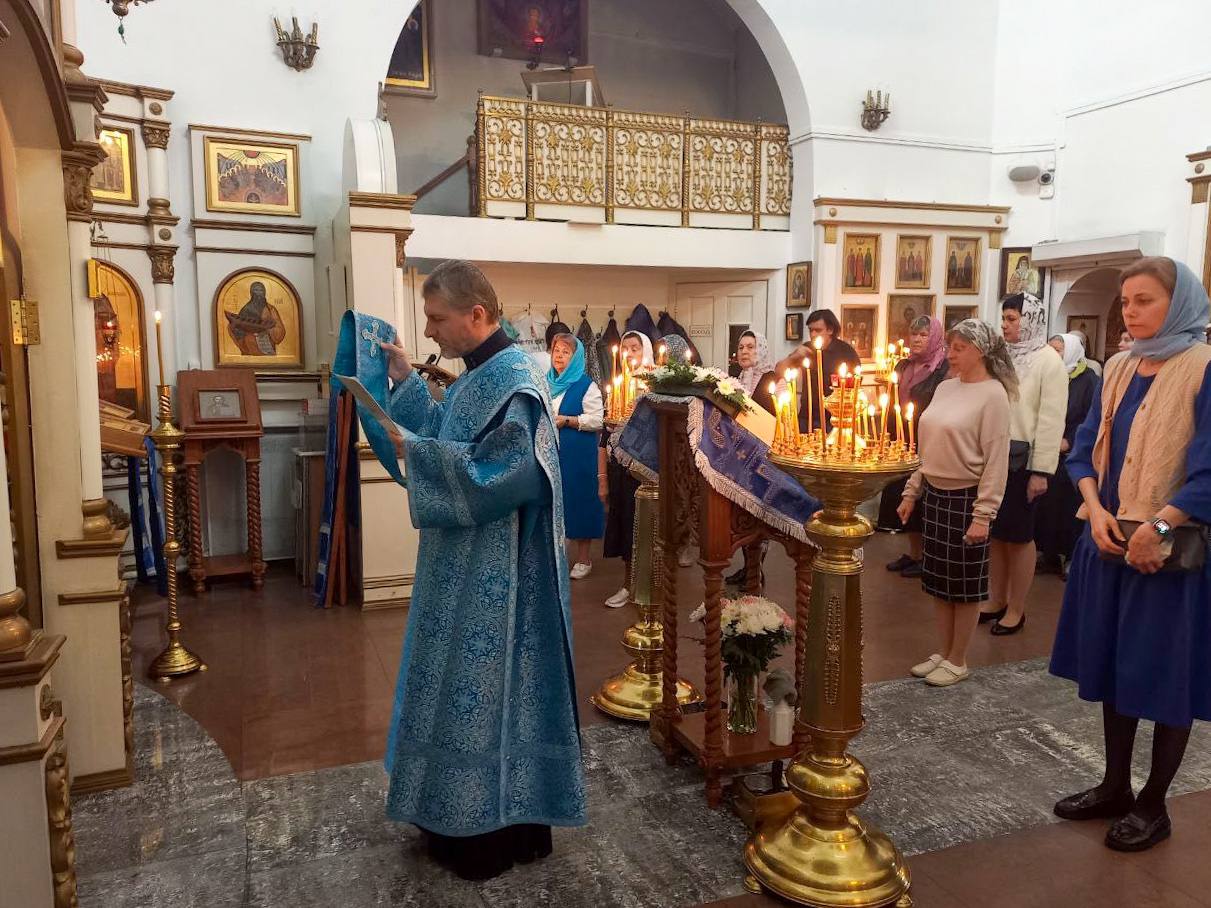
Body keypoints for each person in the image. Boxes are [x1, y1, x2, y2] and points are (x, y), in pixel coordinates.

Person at [378, 260, 585, 880]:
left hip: (501, 578)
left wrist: (420, 454)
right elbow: (448, 433)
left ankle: (487, 834)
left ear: (476, 314)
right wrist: (404, 383)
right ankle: (446, 813)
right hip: (459, 566)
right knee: (452, 688)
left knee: (489, 693)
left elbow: (511, 474)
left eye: (436, 319)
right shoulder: (477, 376)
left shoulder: (516, 382)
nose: (429, 331)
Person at [1050, 257, 1211, 852]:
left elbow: (1209, 471)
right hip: (1107, 538)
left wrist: (1160, 526)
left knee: (1165, 675)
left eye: (1145, 300)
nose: (1130, 312)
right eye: (1126, 301)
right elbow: (1083, 450)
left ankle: (1154, 804)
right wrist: (1094, 509)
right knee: (1115, 666)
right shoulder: (1118, 367)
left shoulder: (1204, 368)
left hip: (1169, 553)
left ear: (1180, 302)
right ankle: (1115, 784)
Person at [898, 319, 1013, 686]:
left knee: (963, 585)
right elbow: (927, 447)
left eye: (960, 348)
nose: (951, 354)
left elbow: (996, 460)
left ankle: (959, 657)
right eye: (950, 347)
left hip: (967, 499)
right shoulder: (946, 387)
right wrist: (912, 491)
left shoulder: (993, 395)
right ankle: (944, 650)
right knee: (938, 581)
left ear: (981, 351)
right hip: (935, 494)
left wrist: (984, 515)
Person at [983, 293, 1066, 635]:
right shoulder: (1002, 357)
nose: (1005, 325)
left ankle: (1016, 608)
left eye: (1012, 318)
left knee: (1018, 537)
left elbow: (1051, 419)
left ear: (1030, 319)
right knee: (996, 535)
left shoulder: (1048, 361)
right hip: (995, 457)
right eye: (1004, 318)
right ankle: (996, 598)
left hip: (1025, 462)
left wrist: (1041, 471)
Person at [880, 316, 951, 576]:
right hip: (902, 439)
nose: (917, 339)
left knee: (923, 498)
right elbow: (892, 400)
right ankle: (913, 553)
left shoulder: (942, 368)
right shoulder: (903, 365)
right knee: (904, 494)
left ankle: (927, 557)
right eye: (914, 334)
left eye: (923, 335)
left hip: (927, 438)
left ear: (934, 338)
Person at [1035, 334, 1100, 576]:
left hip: (1073, 454)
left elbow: (1091, 417)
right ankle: (1049, 554)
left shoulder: (1088, 380)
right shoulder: (1049, 375)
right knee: (1047, 507)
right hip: (1048, 451)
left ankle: (1072, 557)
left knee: (1069, 509)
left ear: (1071, 351)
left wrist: (1070, 440)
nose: (1053, 355)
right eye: (1050, 349)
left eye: (1058, 350)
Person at [600, 330, 654, 607]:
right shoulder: (618, 387)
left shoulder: (655, 388)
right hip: (620, 469)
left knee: (648, 529)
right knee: (625, 527)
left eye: (635, 347)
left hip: (648, 471)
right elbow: (605, 435)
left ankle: (650, 587)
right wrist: (602, 478)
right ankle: (628, 584)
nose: (630, 353)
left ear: (646, 351)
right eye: (626, 348)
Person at [547, 333, 604, 580]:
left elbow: (598, 420)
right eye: (556, 350)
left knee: (580, 501)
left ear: (576, 357)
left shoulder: (586, 386)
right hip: (550, 453)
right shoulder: (546, 383)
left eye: (565, 352)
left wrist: (568, 420)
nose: (559, 356)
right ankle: (557, 555)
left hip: (578, 454)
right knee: (554, 503)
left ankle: (583, 558)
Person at [776, 309, 861, 433]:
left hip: (835, 419)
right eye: (811, 330)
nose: (813, 334)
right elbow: (779, 371)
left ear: (830, 330)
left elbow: (856, 385)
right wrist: (794, 357)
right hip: (807, 416)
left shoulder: (846, 352)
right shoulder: (807, 349)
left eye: (818, 330)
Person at [226, 281, 286, 356]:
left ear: (264, 292)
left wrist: (268, 330)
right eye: (256, 290)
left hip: (267, 345)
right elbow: (238, 327)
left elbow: (279, 328)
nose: (258, 293)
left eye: (261, 290)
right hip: (249, 345)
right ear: (251, 292)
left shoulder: (271, 309)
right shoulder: (246, 309)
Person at [735, 330, 779, 415]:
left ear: (761, 351)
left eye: (750, 347)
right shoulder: (736, 378)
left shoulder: (774, 380)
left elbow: (783, 415)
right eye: (741, 348)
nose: (744, 351)